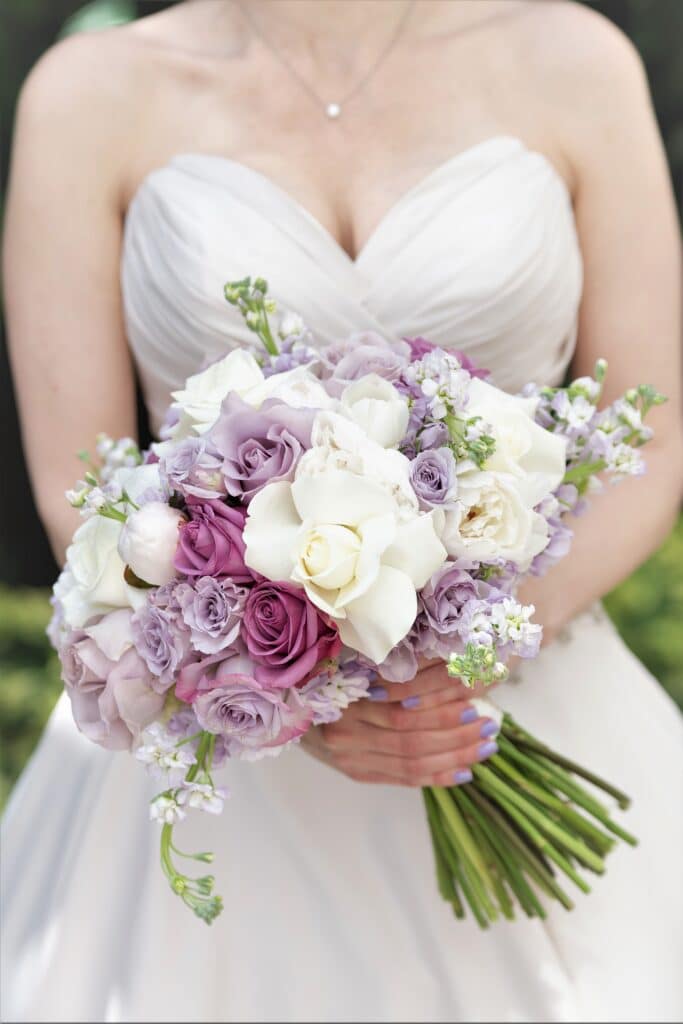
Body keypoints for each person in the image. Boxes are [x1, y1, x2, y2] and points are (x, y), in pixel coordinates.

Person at [2, 1, 682, 1021]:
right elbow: (79, 486)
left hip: (516, 694)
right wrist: (295, 685)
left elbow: (656, 435)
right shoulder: (89, 93)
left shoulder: (575, 59)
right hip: (227, 733)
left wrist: (462, 647)